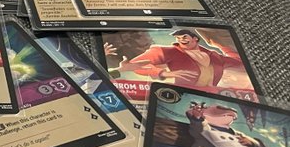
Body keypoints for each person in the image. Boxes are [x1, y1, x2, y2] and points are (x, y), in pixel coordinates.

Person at [104, 28, 245, 88]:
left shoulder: (214, 56)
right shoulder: (168, 51)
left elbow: (240, 64)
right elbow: (137, 66)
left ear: (195, 39)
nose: (181, 40)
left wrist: (218, 43)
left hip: (210, 96)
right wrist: (163, 73)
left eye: (184, 37)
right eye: (178, 38)